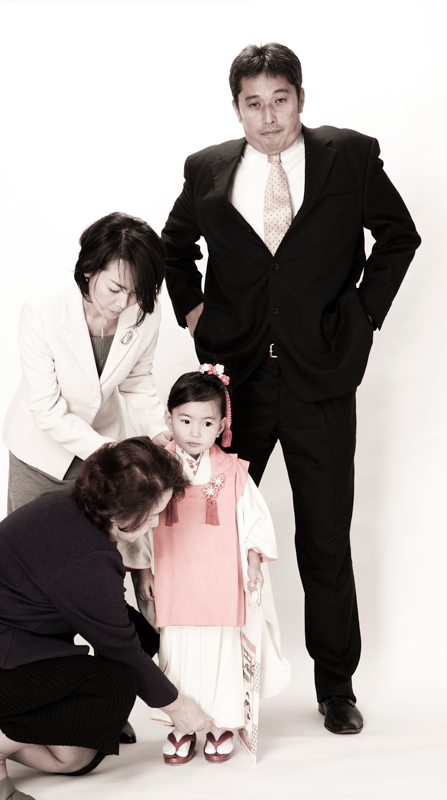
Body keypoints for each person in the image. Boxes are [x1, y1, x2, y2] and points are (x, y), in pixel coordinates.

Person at [162, 43, 421, 734]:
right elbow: (173, 246)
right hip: (236, 386)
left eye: (280, 99)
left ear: (300, 98)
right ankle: (209, 683)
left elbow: (398, 236)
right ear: (237, 109)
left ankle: (335, 686)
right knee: (212, 534)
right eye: (254, 103)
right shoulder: (207, 169)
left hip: (321, 381)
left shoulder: (348, 156)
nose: (269, 116)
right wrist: (194, 311)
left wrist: (362, 315)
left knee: (325, 539)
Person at [0, 438, 209, 799]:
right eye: (150, 516)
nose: (154, 524)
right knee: (114, 684)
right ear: (119, 514)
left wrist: (166, 648)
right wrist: (177, 705)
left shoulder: (68, 505)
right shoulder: (88, 559)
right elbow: (119, 648)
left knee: (77, 757)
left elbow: (112, 618)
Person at [121, 367, 290, 764]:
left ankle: (221, 722)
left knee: (220, 651)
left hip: (220, 578)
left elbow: (254, 520)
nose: (195, 432)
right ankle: (181, 726)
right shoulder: (154, 469)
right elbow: (139, 525)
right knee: (179, 651)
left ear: (222, 426)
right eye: (185, 421)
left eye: (207, 423)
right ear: (168, 419)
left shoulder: (234, 471)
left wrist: (253, 560)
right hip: (175, 577)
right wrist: (143, 571)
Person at [3, 211, 171, 514]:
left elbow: (136, 382)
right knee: (31, 541)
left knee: (91, 543)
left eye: (135, 293)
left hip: (100, 462)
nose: (123, 303)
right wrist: (111, 451)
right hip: (39, 457)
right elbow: (45, 409)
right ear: (89, 269)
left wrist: (159, 429)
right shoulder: (43, 310)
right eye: (115, 289)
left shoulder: (146, 310)